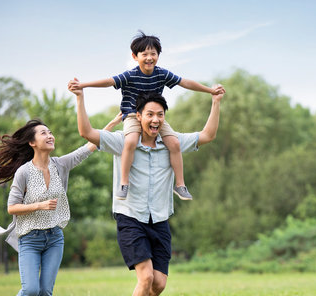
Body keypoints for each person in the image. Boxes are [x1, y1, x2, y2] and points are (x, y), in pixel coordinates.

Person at [68, 82, 224, 296]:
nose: (155, 119)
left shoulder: (171, 144)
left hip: (160, 219)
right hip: (130, 217)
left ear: (164, 119)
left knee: (159, 284)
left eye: (160, 115)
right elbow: (86, 132)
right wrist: (80, 97)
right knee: (146, 276)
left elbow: (207, 135)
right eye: (149, 114)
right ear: (138, 117)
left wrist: (216, 101)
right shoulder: (122, 142)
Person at [0, 115, 121, 296]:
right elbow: (11, 207)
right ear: (32, 143)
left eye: (50, 132)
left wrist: (112, 124)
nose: (50, 136)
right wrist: (38, 205)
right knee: (31, 290)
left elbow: (89, 145)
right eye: (44, 133)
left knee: (46, 292)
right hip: (30, 239)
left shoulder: (60, 164)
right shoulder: (24, 173)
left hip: (54, 238)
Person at [70, 30, 225, 201]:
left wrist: (210, 91)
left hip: (154, 116)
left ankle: (180, 185)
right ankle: (124, 182)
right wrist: (83, 85)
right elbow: (109, 81)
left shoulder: (162, 74)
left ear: (158, 55)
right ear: (135, 56)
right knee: (130, 141)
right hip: (131, 115)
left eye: (154, 53)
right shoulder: (130, 75)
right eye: (145, 54)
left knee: (173, 143)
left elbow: (184, 82)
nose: (150, 57)